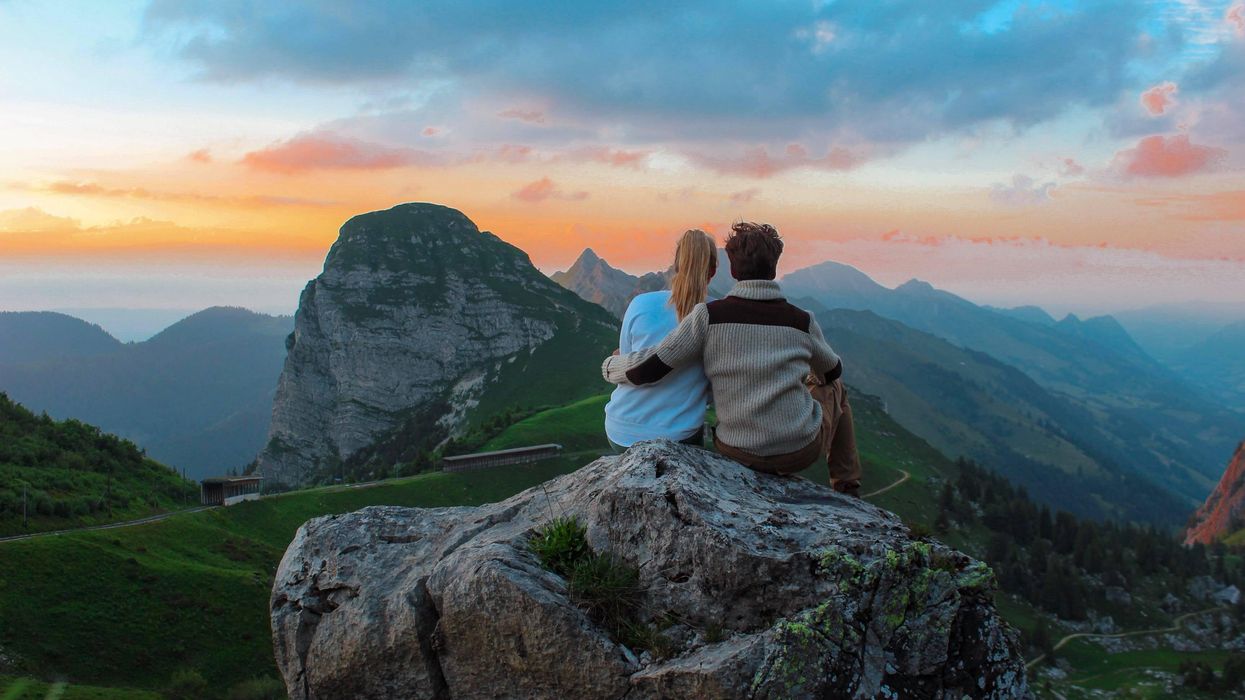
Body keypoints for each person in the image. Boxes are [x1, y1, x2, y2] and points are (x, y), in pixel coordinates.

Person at [601, 222, 862, 496]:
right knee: (837, 389)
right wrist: (807, 378)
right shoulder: (802, 320)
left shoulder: (708, 316)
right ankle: (848, 487)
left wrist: (610, 364)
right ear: (775, 267)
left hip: (735, 450)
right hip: (797, 452)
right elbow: (833, 371)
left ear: (733, 270)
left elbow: (652, 367)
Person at [604, 229, 716, 452]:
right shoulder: (718, 314)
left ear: (675, 265)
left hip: (621, 430)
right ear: (712, 271)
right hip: (678, 435)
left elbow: (627, 360)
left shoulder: (640, 303)